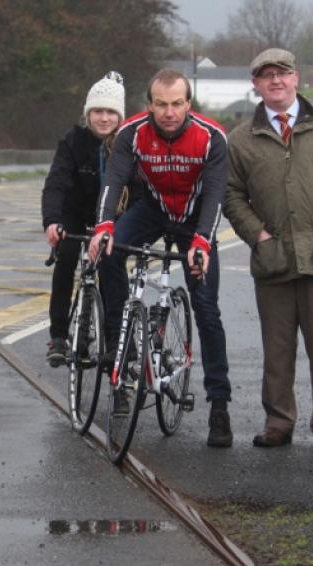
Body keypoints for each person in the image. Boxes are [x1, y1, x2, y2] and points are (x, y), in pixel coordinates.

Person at [223, 48, 313, 452]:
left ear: (296, 78)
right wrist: (259, 236)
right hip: (273, 259)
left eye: (282, 74)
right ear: (255, 85)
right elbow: (231, 195)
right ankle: (278, 422)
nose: (275, 81)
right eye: (266, 75)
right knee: (277, 347)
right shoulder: (240, 140)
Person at [88, 68, 234, 448]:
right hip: (152, 210)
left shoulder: (212, 138)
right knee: (109, 250)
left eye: (177, 104)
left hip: (194, 218)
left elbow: (217, 195)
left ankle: (220, 405)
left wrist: (202, 240)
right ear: (149, 105)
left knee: (206, 306)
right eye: (161, 105)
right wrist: (103, 226)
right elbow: (113, 181)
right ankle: (123, 343)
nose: (169, 113)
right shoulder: (131, 133)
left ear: (189, 103)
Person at [41, 71, 125, 367]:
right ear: (87, 114)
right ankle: (59, 335)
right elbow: (55, 183)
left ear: (120, 115)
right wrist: (52, 221)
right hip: (75, 211)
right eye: (97, 112)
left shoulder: (129, 142)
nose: (103, 118)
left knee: (112, 267)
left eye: (111, 112)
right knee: (65, 258)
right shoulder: (73, 141)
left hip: (113, 215)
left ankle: (116, 338)